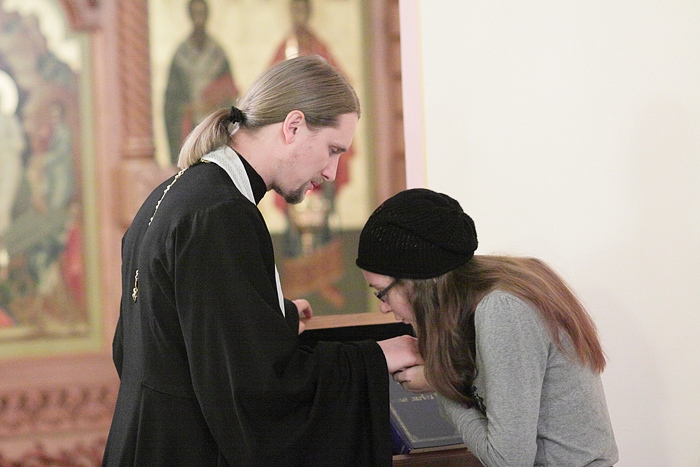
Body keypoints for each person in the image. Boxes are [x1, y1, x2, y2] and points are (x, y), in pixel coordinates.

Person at [102, 54, 421, 466]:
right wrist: (377, 357)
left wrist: (270, 316)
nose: (331, 171)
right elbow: (255, 391)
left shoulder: (179, 192)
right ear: (293, 126)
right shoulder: (222, 214)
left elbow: (160, 340)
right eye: (332, 149)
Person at [356, 188, 619, 466]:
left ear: (418, 281)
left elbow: (508, 460)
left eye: (381, 293)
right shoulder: (507, 286)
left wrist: (439, 385)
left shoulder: (503, 309)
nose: (384, 308)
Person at [164, 0, 239, 164]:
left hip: (213, 126)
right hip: (189, 127)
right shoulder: (181, 55)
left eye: (202, 13)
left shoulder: (218, 54)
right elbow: (171, 102)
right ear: (189, 16)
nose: (199, 18)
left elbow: (230, 93)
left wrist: (215, 104)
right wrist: (188, 108)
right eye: (195, 14)